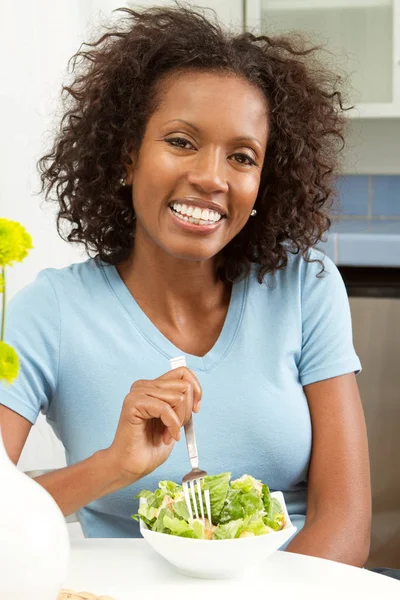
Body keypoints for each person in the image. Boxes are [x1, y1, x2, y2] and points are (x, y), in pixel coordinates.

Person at [0, 4, 371, 566]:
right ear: (128, 156)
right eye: (180, 141)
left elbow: (344, 520)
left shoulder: (305, 286)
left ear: (262, 183)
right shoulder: (48, 310)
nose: (211, 177)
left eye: (242, 157)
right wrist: (114, 465)